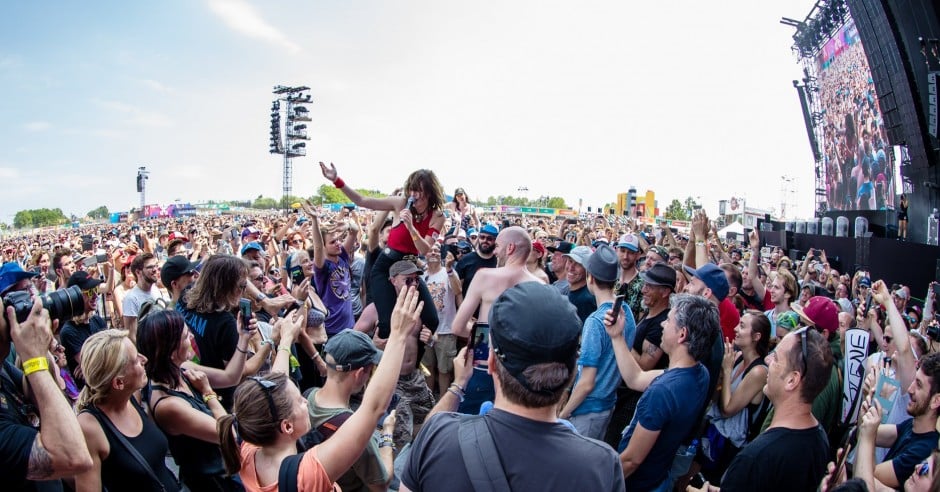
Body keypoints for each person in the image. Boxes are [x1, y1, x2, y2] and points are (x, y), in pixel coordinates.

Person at [401, 282, 625, 492]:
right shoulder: (602, 466)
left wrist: (459, 384)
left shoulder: (438, 436)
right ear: (571, 373)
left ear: (490, 363)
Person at [217, 285, 418, 492]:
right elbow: (373, 408)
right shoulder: (306, 476)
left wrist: (286, 339)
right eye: (300, 402)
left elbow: (278, 384)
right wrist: (399, 336)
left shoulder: (250, 449)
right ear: (287, 427)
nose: (306, 400)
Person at [692, 327, 833, 492]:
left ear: (792, 380)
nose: (767, 360)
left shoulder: (756, 458)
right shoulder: (820, 439)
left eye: (776, 358)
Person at [606, 293, 719, 490]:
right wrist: (617, 336)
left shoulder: (663, 392)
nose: (662, 325)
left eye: (668, 320)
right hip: (659, 479)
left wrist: (598, 481)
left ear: (682, 334)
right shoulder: (701, 373)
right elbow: (636, 379)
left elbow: (631, 460)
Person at [137, 309, 257, 491]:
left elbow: (230, 377)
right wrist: (208, 392)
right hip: (211, 483)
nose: (192, 337)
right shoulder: (169, 405)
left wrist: (243, 337)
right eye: (186, 336)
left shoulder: (181, 369)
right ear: (170, 351)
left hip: (225, 471)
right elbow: (228, 435)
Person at [320, 162, 440, 340]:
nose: (414, 195)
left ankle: (413, 361)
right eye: (412, 190)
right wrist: (337, 180)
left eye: (419, 191)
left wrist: (412, 228)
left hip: (409, 268)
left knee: (432, 320)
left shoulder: (437, 216)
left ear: (429, 192)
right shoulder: (401, 204)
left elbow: (424, 250)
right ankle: (380, 360)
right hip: (385, 268)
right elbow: (363, 201)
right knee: (387, 324)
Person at [0, 299, 93, 491]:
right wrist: (34, 360)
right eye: (4, 314)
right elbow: (73, 457)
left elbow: (37, 395)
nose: (12, 318)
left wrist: (41, 350)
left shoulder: (3, 369)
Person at [449, 226, 543, 414]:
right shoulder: (540, 285)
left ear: (510, 248)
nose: (495, 251)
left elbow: (458, 327)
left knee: (470, 430)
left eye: (498, 246)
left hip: (483, 365)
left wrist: (485, 336)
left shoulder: (485, 276)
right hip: (518, 373)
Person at [74, 329, 181, 491]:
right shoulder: (89, 427)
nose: (144, 359)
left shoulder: (130, 396)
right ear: (118, 383)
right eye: (136, 360)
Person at [558, 243, 637, 440]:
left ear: (590, 277)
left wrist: (563, 414)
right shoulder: (626, 311)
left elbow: (586, 383)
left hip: (587, 410)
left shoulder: (595, 321)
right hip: (608, 404)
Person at [305, 329, 397, 492]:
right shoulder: (354, 431)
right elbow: (382, 484)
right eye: (370, 370)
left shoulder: (307, 397)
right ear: (360, 373)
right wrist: (387, 435)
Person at [698, 311, 771, 483]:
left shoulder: (758, 372)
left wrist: (727, 369)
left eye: (743, 326)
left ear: (756, 336)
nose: (736, 329)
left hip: (728, 448)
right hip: (713, 434)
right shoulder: (737, 358)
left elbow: (727, 409)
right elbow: (717, 395)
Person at [420, 242, 462, 398]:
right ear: (425, 254)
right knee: (428, 369)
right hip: (426, 330)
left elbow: (458, 291)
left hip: (446, 330)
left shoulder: (448, 272)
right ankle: (429, 401)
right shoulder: (420, 274)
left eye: (437, 251)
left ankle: (443, 403)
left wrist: (450, 269)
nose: (433, 253)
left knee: (445, 370)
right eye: (430, 250)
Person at [59, 272, 108, 388]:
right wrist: (93, 364)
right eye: (90, 292)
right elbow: (96, 368)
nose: (96, 295)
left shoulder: (97, 320)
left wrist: (93, 362)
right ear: (76, 296)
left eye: (96, 290)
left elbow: (115, 353)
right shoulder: (69, 331)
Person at [121, 253, 166, 342]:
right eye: (150, 267)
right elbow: (131, 336)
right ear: (138, 272)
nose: (155, 270)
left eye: (156, 266)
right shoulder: (131, 299)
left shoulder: (155, 290)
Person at [564, 245, 598, 323]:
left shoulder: (586, 300)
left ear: (588, 269)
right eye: (570, 261)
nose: (571, 267)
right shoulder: (569, 290)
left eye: (578, 264)